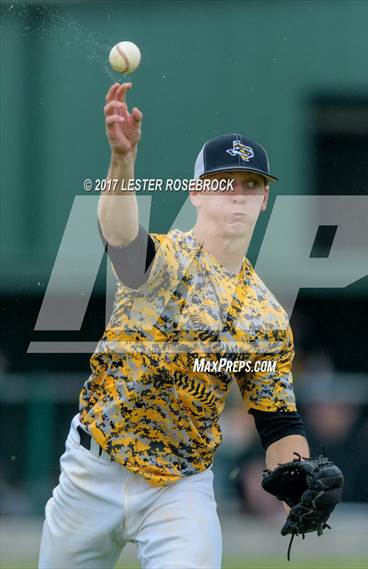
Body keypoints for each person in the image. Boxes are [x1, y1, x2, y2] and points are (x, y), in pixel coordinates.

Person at [38, 82, 336, 569]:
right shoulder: (168, 260)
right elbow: (120, 236)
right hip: (94, 470)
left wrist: (299, 477)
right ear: (197, 191)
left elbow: (277, 420)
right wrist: (122, 162)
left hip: (179, 488)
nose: (239, 196)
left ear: (265, 201)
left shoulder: (265, 315)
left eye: (253, 185)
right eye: (225, 183)